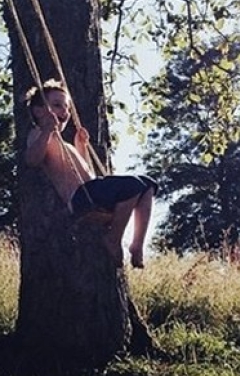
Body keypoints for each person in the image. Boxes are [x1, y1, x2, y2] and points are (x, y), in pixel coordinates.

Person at [24, 79, 157, 268]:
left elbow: (86, 173)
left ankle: (137, 245)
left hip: (91, 192)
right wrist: (46, 130)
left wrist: (81, 146)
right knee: (132, 185)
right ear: (38, 111)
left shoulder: (66, 145)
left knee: (148, 185)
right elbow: (32, 159)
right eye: (56, 105)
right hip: (80, 199)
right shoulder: (38, 134)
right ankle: (113, 239)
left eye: (66, 107)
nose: (64, 111)